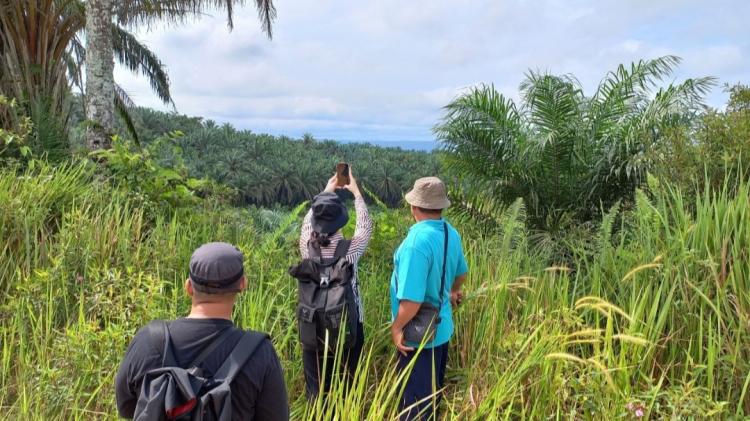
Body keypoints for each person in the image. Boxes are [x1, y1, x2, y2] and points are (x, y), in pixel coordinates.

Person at [115, 242, 289, 420]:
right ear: (242, 284)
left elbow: (127, 408)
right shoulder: (260, 353)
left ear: (188, 287)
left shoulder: (149, 340)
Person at [389, 177, 468, 421]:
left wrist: (396, 327)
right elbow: (462, 273)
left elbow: (411, 302)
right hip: (441, 329)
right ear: (440, 207)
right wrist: (453, 292)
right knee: (431, 400)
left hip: (418, 336)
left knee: (414, 410)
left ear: (414, 208)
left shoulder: (415, 244)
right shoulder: (449, 232)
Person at [298, 168, 373, 398]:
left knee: (316, 392)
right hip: (347, 326)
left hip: (312, 326)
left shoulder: (306, 248)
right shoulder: (350, 250)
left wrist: (326, 191)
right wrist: (357, 193)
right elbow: (365, 226)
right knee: (348, 388)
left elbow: (308, 223)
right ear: (341, 221)